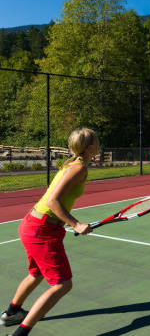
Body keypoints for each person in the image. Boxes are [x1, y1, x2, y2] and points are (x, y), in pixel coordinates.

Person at [1, 128, 98, 336]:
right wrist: (76, 224)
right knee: (62, 285)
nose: (99, 143)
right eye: (96, 141)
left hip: (33, 224)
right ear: (90, 146)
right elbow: (53, 201)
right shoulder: (78, 168)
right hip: (41, 229)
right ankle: (19, 334)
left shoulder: (73, 164)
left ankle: (12, 313)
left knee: (36, 273)